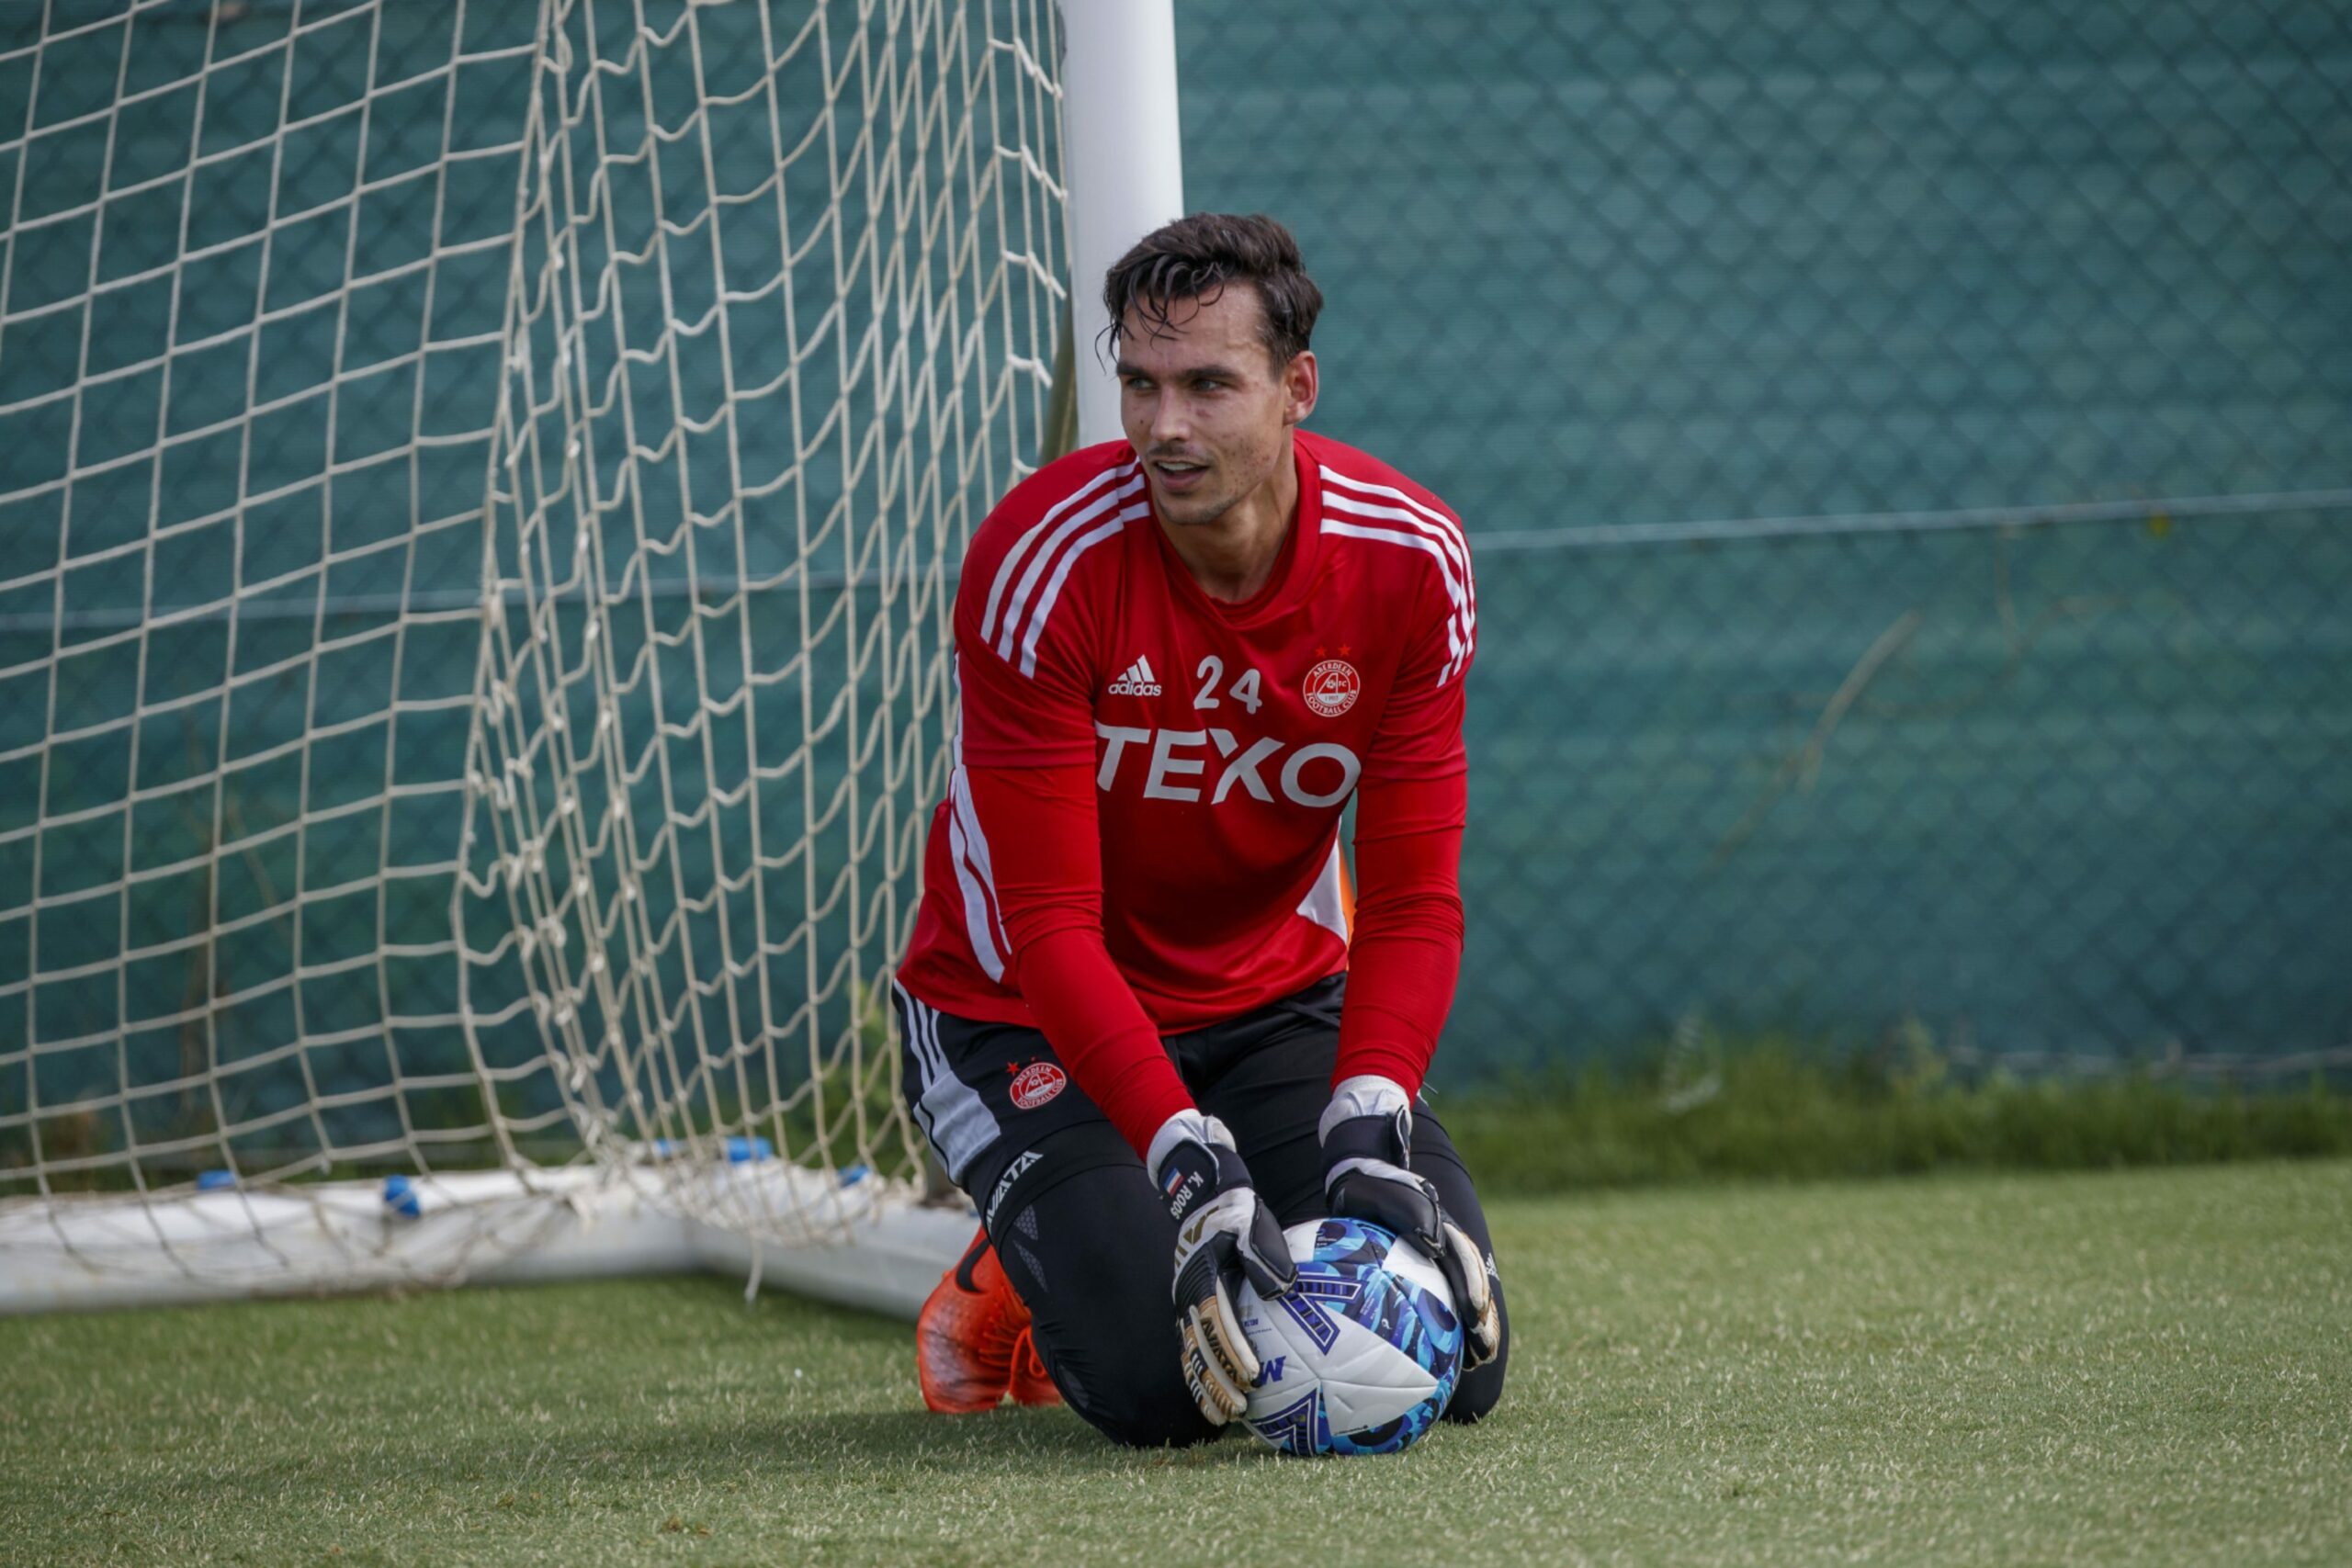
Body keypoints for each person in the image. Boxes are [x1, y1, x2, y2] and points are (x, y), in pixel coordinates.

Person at [890, 212, 1506, 1446]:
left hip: (1270, 999)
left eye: (1210, 386)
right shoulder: (1040, 563)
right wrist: (1178, 1159)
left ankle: (1160, 1189)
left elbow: (1408, 903)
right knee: (1163, 1391)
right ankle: (1032, 1246)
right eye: (1141, 385)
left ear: (1296, 390)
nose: (1167, 429)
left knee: (1455, 1366)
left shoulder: (1409, 562)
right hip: (1017, 1008)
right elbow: (1049, 925)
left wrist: (1373, 1107)